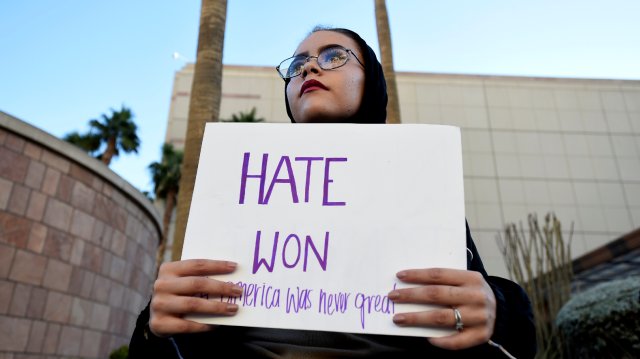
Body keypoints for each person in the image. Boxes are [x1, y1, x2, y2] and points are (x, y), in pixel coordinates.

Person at [130, 26, 536, 358]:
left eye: (333, 56)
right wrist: (156, 328)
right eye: (298, 64)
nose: (309, 69)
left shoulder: (420, 186)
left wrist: (498, 313)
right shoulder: (239, 191)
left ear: (370, 80)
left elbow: (503, 337)